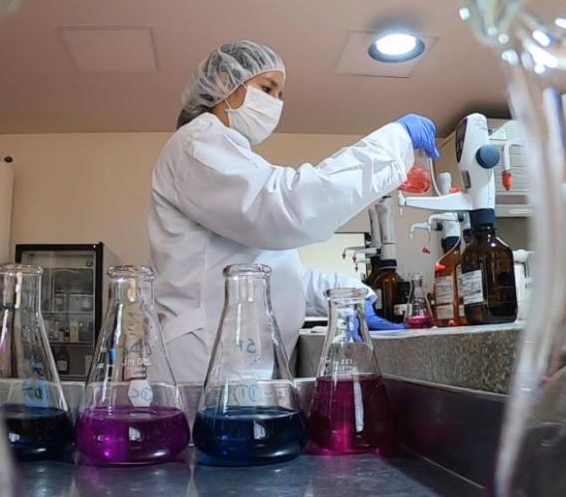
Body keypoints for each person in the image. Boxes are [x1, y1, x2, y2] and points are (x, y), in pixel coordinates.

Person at [148, 40, 438, 383]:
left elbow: (278, 273)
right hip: (203, 361)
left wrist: (353, 294)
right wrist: (395, 141)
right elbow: (290, 206)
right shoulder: (196, 146)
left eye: (280, 94)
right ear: (225, 82)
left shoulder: (235, 158)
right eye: (266, 88)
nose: (275, 102)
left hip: (235, 359)